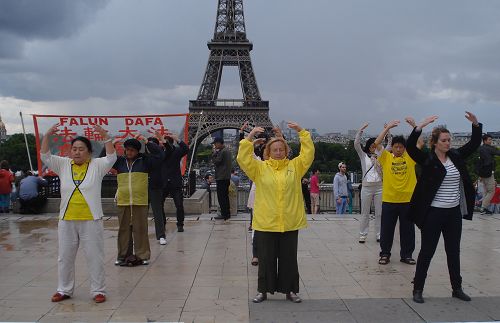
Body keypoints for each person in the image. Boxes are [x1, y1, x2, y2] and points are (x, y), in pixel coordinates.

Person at [406, 112, 481, 304]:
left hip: (453, 212)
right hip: (434, 212)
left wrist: (475, 125)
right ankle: (418, 289)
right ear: (435, 143)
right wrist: (420, 126)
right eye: (445, 140)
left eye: (450, 140)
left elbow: (473, 145)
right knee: (427, 252)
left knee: (453, 251)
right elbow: (410, 149)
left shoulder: (456, 156)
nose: (449, 143)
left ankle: (457, 288)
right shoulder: (428, 160)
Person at [237, 122, 314, 304]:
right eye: (275, 150)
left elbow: (308, 154)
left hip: (289, 221)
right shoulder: (259, 169)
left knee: (289, 259)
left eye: (281, 149)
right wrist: (249, 138)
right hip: (267, 221)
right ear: (268, 153)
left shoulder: (295, 167)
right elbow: (243, 159)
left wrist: (302, 132)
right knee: (266, 260)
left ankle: (290, 290)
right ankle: (263, 290)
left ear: (286, 151)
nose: (278, 152)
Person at [41, 123, 116, 303]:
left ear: (89, 152)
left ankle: (98, 290)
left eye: (81, 149)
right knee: (64, 257)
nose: (77, 152)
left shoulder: (97, 165)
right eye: (74, 149)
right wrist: (47, 136)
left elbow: (112, 157)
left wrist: (105, 136)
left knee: (94, 256)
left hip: (91, 219)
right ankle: (64, 289)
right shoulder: (64, 164)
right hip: (67, 219)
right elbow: (45, 155)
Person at [113, 135, 162, 266]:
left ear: (137, 151)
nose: (129, 152)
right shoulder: (119, 162)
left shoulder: (145, 161)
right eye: (127, 149)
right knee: (123, 230)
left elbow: (159, 155)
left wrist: (148, 143)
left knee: (140, 229)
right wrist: (110, 144)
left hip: (140, 200)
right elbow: (104, 158)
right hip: (123, 200)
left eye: (132, 150)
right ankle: (123, 255)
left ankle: (142, 255)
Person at [375, 120, 416, 266]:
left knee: (408, 230)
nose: (398, 149)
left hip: (407, 200)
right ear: (392, 147)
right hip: (389, 199)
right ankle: (385, 254)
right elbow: (377, 143)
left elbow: (420, 143)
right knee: (386, 229)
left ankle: (407, 255)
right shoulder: (386, 158)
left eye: (401, 147)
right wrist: (387, 128)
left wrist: (415, 126)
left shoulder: (410, 158)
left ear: (405, 148)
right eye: (396, 147)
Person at [354, 123, 383, 243]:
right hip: (366, 187)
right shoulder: (363, 156)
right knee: (365, 212)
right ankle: (363, 234)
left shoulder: (381, 155)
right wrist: (360, 131)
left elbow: (390, 146)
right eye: (371, 145)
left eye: (374, 145)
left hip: (379, 187)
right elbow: (356, 144)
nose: (373, 147)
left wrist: (388, 132)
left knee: (379, 213)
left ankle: (379, 234)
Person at [160, 133, 189, 232]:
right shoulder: (160, 152)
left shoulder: (176, 151)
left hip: (175, 182)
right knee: (159, 205)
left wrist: (178, 140)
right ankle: (162, 224)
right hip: (163, 182)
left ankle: (180, 224)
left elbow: (186, 149)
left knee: (179, 205)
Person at [477, 134, 500, 215]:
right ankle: (483, 208)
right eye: (489, 140)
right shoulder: (489, 148)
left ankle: (484, 208)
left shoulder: (481, 148)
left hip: (482, 172)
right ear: (485, 140)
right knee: (491, 191)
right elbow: (498, 152)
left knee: (486, 191)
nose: (491, 141)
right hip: (488, 172)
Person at [211, 137, 232, 221]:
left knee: (221, 197)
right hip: (226, 177)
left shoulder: (223, 152)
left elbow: (217, 161)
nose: (214, 145)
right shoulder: (226, 151)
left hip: (221, 177)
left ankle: (224, 214)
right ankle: (227, 214)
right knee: (225, 197)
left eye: (215, 143)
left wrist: (213, 154)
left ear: (219, 143)